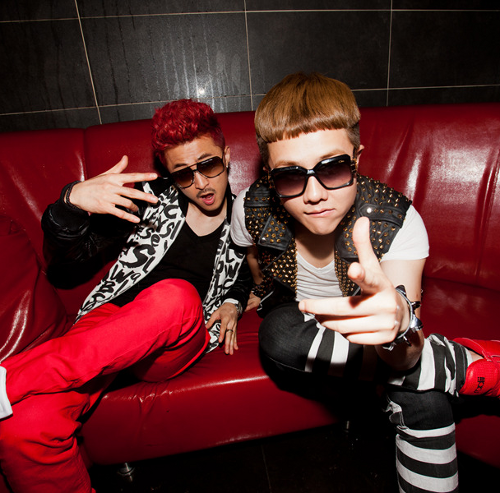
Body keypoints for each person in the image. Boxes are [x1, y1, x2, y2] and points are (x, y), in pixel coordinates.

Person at [230, 72, 500, 493]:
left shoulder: (397, 222)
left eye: (334, 167)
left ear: (357, 158)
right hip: (299, 323)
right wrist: (250, 291)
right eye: (290, 176)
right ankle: (454, 364)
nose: (314, 194)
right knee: (278, 333)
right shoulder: (252, 206)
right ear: (269, 175)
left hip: (371, 339)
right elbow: (248, 253)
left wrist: (400, 324)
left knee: (425, 397)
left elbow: (404, 348)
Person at [0, 99, 251, 493]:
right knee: (24, 429)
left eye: (208, 165)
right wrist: (69, 205)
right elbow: (66, 264)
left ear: (228, 156)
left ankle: (9, 381)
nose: (201, 183)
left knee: (174, 297)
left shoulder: (245, 218)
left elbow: (255, 272)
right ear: (168, 173)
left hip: (173, 340)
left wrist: (234, 301)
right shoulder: (146, 200)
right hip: (109, 327)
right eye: (183, 174)